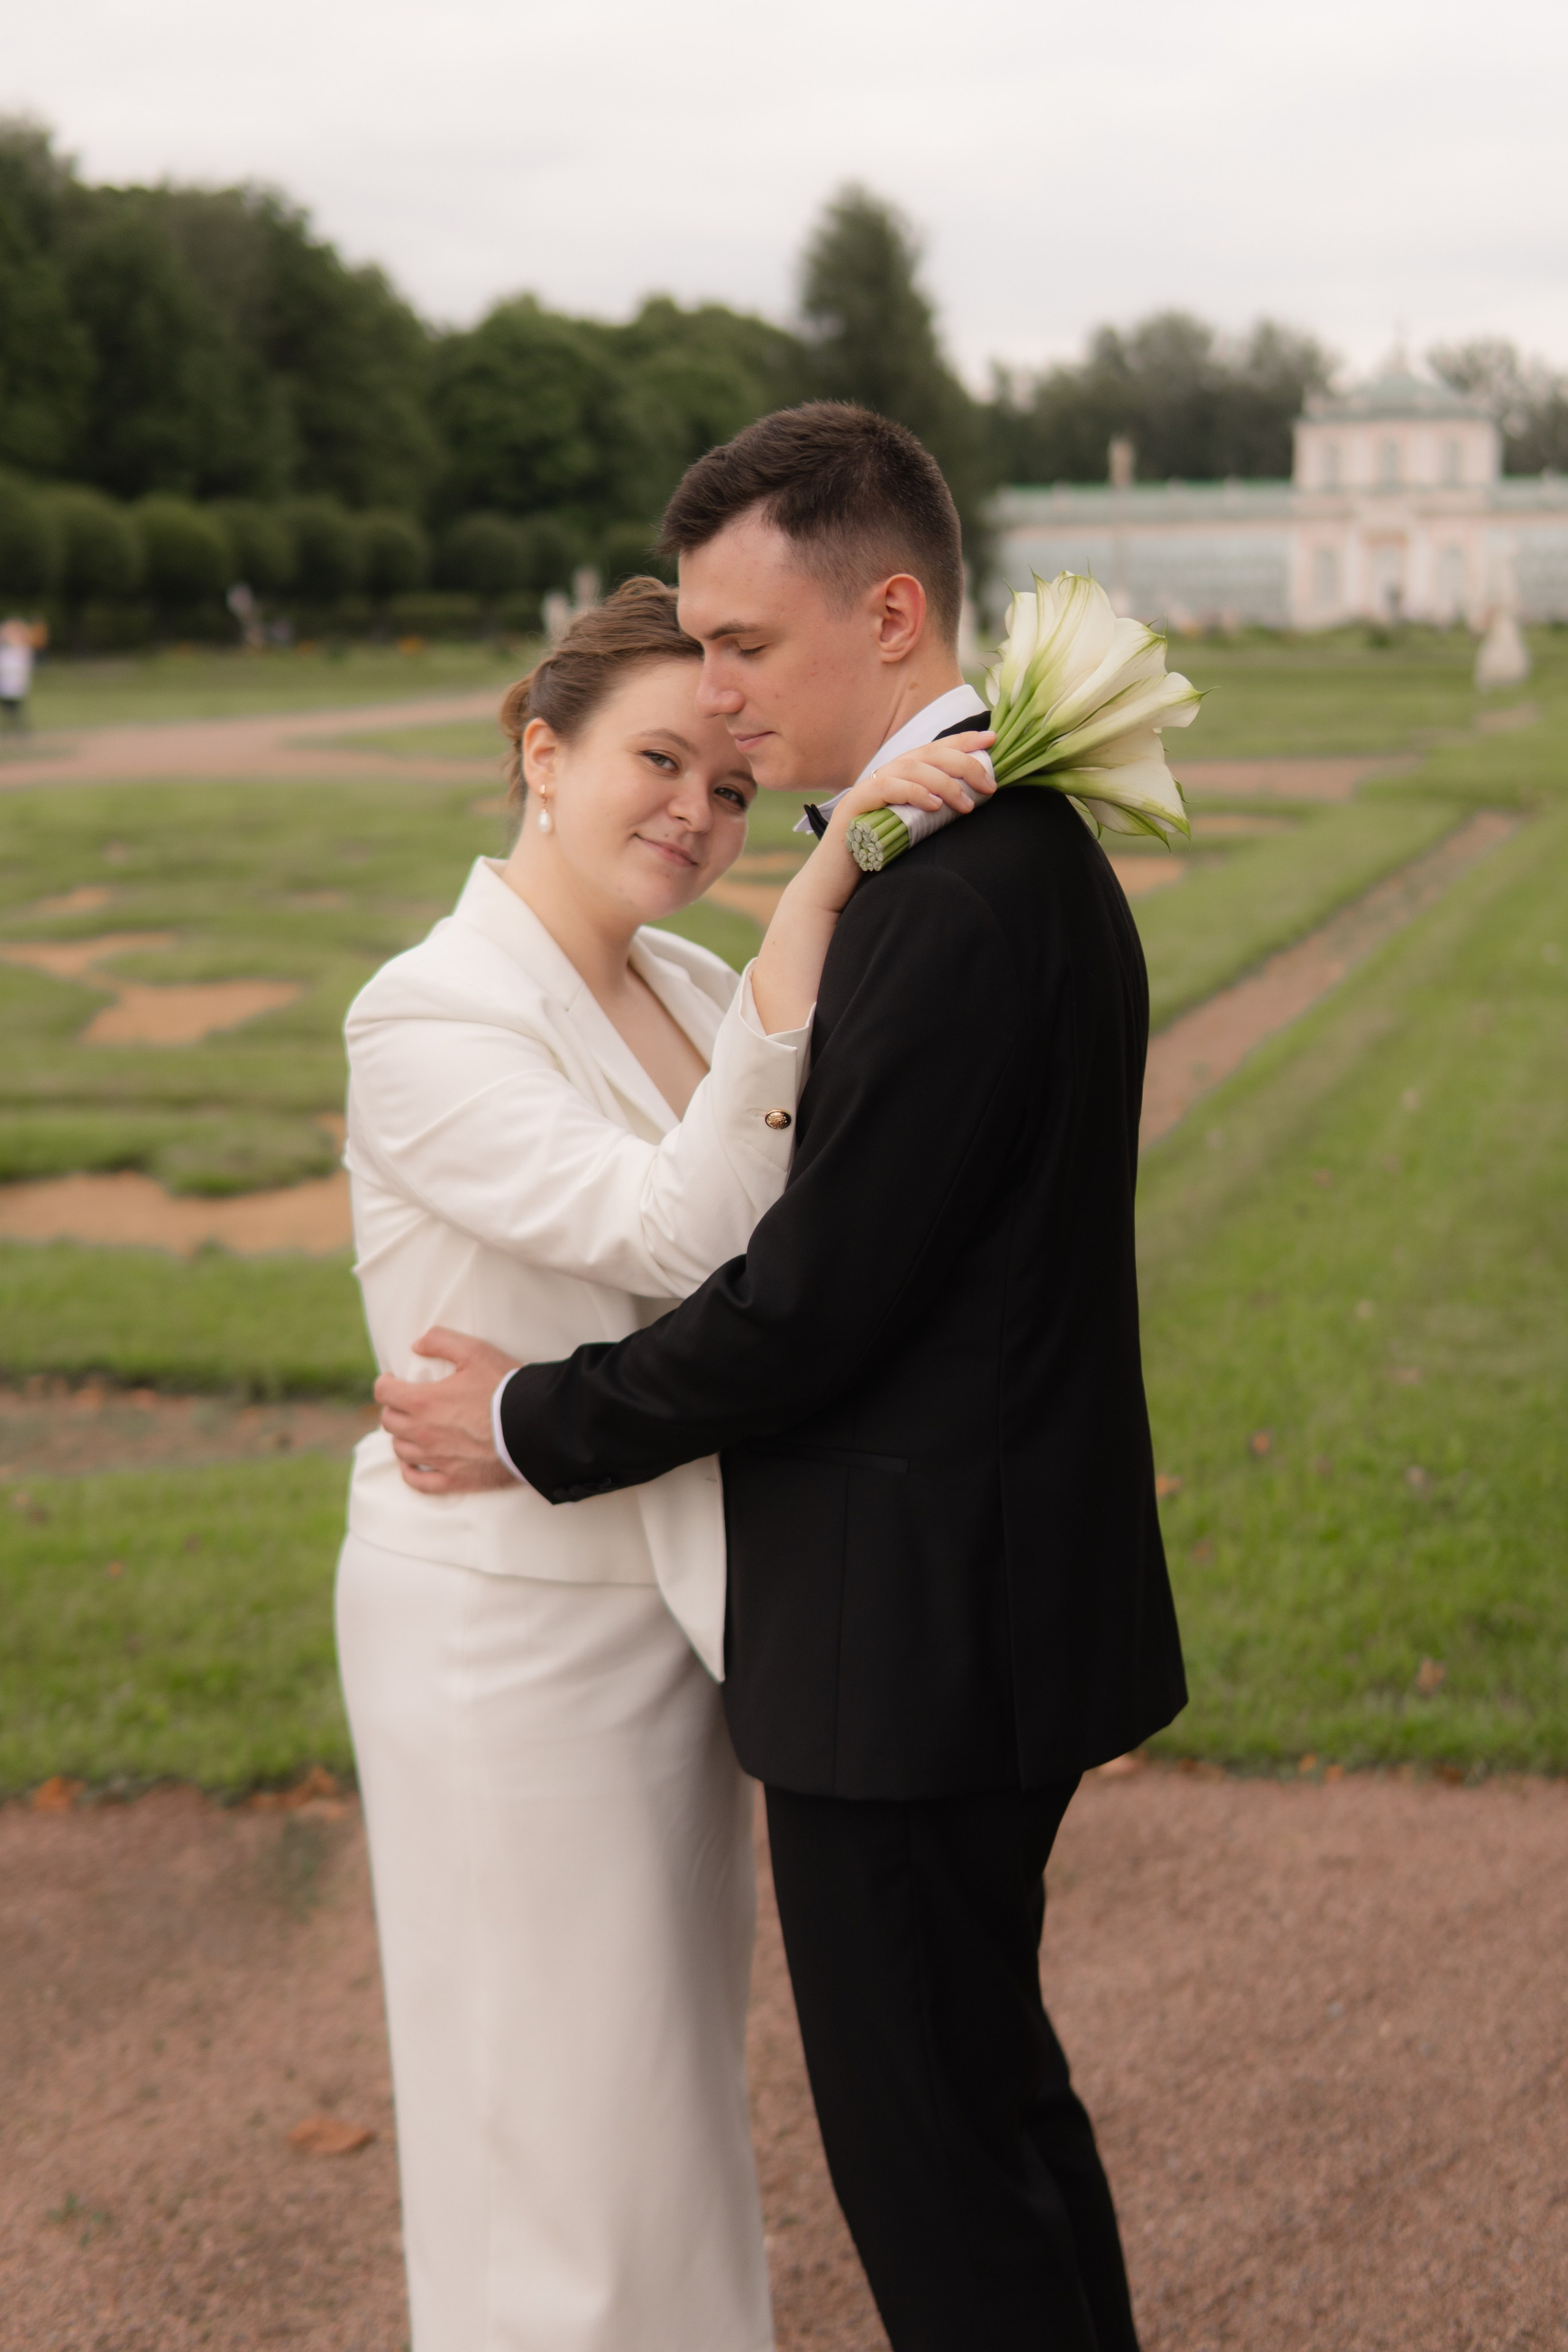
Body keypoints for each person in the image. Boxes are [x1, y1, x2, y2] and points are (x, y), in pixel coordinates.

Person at [377, 406, 1189, 2352]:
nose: (722, 698)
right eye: (690, 673)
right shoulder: (978, 866)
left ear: (890, 614)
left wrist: (525, 1416)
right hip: (951, 1613)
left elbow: (803, 1311)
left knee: (942, 2172)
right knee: (989, 2118)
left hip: (916, 1644)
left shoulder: (951, 892)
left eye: (742, 648)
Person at [336, 573, 993, 2352]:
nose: (696, 813)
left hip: (675, 1607)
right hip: (502, 1630)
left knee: (660, 2104)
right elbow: (672, 1229)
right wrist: (820, 889)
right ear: (542, 753)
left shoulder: (693, 982)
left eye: (730, 785)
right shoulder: (424, 1013)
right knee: (542, 2120)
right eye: (656, 762)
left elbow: (804, 1247)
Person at [0, 618, 35, 733]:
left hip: (15, 683)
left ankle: (20, 728)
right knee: (8, 706)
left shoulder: (21, 650)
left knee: (16, 707)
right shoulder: (5, 650)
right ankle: (12, 728)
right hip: (6, 683)